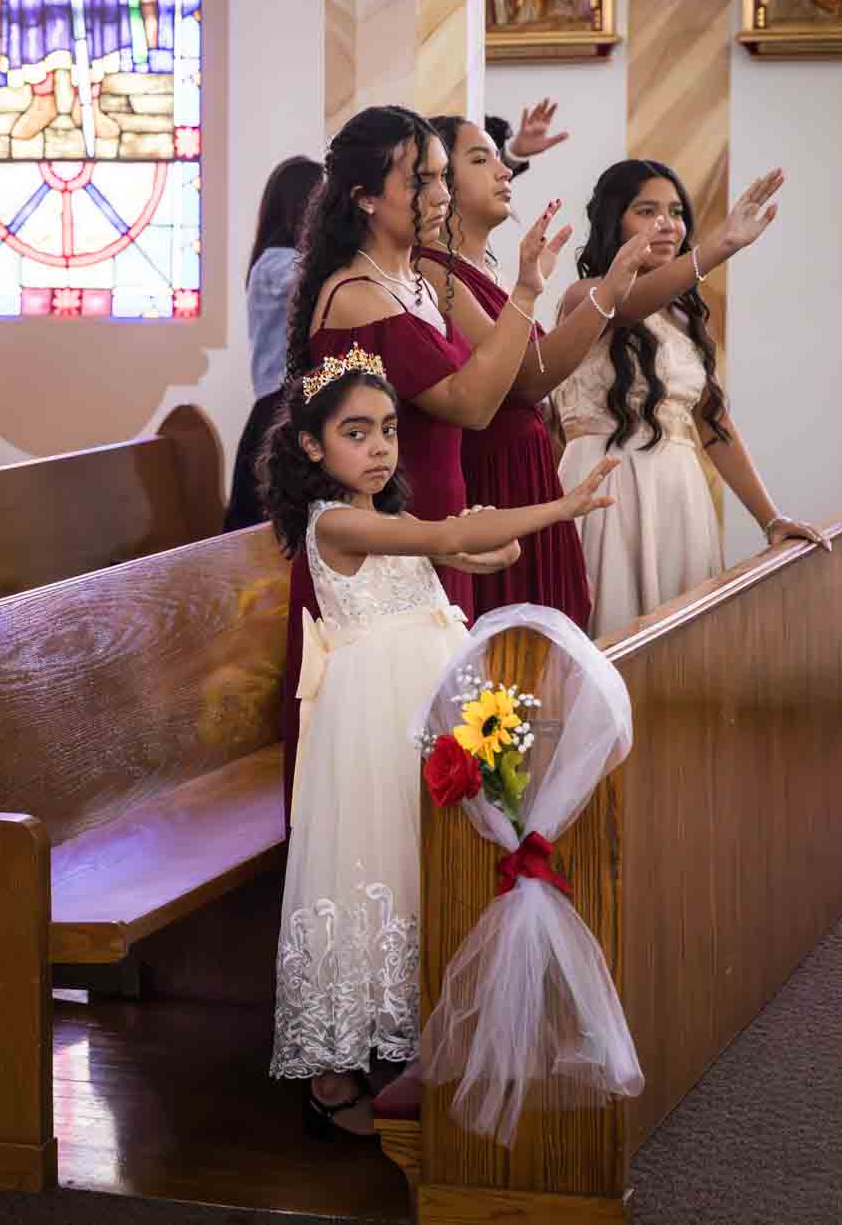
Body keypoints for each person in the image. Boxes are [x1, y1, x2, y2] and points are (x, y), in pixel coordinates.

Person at [257, 349, 616, 1137]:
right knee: (368, 865)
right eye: (357, 433)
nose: (381, 447)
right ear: (314, 448)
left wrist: (491, 540)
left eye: (388, 429)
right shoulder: (337, 522)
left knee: (421, 859)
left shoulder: (387, 520)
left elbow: (475, 548)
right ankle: (330, 1075)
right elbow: (449, 536)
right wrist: (555, 510)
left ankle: (416, 1036)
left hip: (417, 699)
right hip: (371, 715)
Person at [277, 107, 566, 816]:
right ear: (366, 197)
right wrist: (525, 291)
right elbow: (473, 402)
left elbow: (505, 386)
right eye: (421, 180)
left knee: (448, 752)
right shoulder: (357, 298)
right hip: (388, 553)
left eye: (442, 176)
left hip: (434, 533)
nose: (439, 195)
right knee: (390, 768)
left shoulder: (415, 283)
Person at [415, 114, 692, 624]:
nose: (503, 171)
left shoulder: (486, 274)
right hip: (490, 479)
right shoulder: (433, 268)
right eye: (481, 159)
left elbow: (541, 373)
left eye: (502, 158)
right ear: (435, 183)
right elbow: (528, 380)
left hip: (529, 471)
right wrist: (608, 288)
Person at [551, 160, 826, 639]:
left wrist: (771, 519)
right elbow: (628, 302)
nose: (668, 224)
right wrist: (723, 244)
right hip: (607, 490)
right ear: (614, 221)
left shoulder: (687, 316)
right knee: (610, 640)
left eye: (676, 212)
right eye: (647, 210)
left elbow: (714, 424)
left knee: (681, 649)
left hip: (678, 491)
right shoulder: (584, 297)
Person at [223, 155, 321, 532]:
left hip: (295, 404)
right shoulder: (276, 264)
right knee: (265, 531)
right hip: (277, 410)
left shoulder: (286, 261)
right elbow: (314, 277)